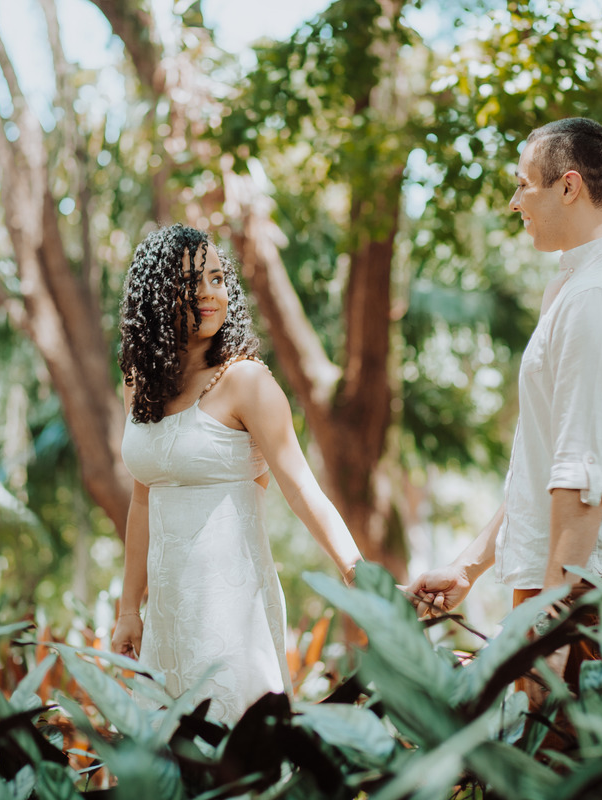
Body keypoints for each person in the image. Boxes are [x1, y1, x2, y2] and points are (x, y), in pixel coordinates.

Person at [405, 118, 602, 698]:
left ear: (568, 186)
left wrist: (553, 628)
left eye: (522, 185)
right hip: (579, 584)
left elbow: (582, 476)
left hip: (592, 589)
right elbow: (546, 465)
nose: (514, 202)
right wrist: (470, 565)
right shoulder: (582, 286)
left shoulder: (599, 295)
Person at [110, 223, 362, 725]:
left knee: (239, 761)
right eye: (191, 281)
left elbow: (298, 485)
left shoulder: (246, 381)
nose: (209, 293)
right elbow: (143, 501)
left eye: (218, 278)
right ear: (157, 294)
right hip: (166, 615)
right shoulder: (139, 386)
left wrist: (358, 573)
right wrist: (127, 609)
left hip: (233, 609)